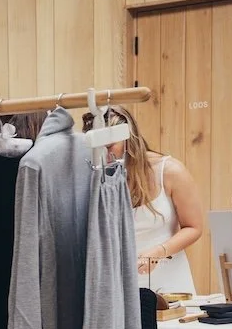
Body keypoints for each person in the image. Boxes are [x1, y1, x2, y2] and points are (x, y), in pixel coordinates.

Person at [88, 105, 205, 295]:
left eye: (110, 146)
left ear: (129, 139)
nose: (104, 154)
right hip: (119, 285)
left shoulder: (170, 171)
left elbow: (194, 227)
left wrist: (159, 251)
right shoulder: (97, 176)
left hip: (168, 282)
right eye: (97, 148)